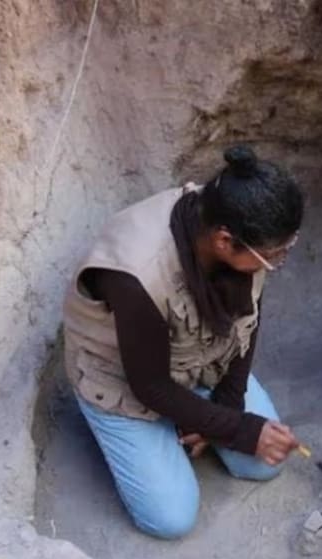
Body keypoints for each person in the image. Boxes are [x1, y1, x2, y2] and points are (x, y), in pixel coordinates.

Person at [61, 145, 304, 539]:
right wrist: (237, 429)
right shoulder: (138, 275)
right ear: (225, 241)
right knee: (171, 518)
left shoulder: (239, 228)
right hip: (124, 381)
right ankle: (111, 425)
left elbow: (249, 320)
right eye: (275, 254)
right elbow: (149, 385)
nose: (278, 262)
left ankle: (187, 422)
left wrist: (225, 408)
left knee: (264, 464)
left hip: (198, 357)